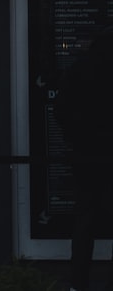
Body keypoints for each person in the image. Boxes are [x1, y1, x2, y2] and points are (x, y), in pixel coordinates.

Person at [55, 26, 113, 291]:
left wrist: (74, 136)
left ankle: (78, 283)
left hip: (86, 152)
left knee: (85, 218)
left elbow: (61, 109)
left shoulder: (79, 69)